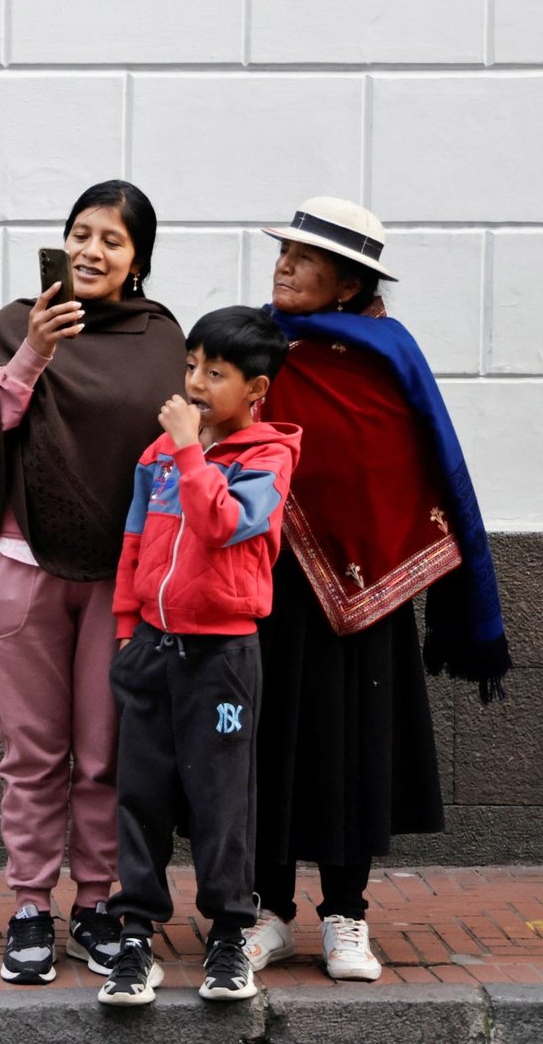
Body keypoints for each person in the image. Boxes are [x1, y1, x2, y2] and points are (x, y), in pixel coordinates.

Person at [242, 197, 510, 982]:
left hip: (367, 598)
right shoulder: (255, 343)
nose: (284, 266)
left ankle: (345, 915)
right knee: (268, 742)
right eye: (284, 253)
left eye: (304, 259)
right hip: (265, 583)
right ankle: (265, 912)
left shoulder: (389, 355)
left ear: (348, 283)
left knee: (350, 749)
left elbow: (421, 465)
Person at [0, 180, 185, 985]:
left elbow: (180, 444)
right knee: (33, 754)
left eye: (112, 240)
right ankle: (29, 906)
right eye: (81, 233)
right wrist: (33, 354)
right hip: (25, 571)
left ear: (137, 259)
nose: (91, 250)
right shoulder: (21, 321)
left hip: (122, 582)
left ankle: (94, 903)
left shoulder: (161, 338)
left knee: (105, 753)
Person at [98, 307, 300, 1007]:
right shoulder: (156, 456)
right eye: (191, 367)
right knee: (141, 794)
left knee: (222, 797)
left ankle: (229, 936)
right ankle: (135, 936)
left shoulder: (268, 459)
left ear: (257, 389)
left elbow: (220, 524)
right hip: (152, 648)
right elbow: (133, 543)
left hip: (222, 658)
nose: (196, 383)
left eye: (216, 373)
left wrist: (190, 449)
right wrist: (127, 629)